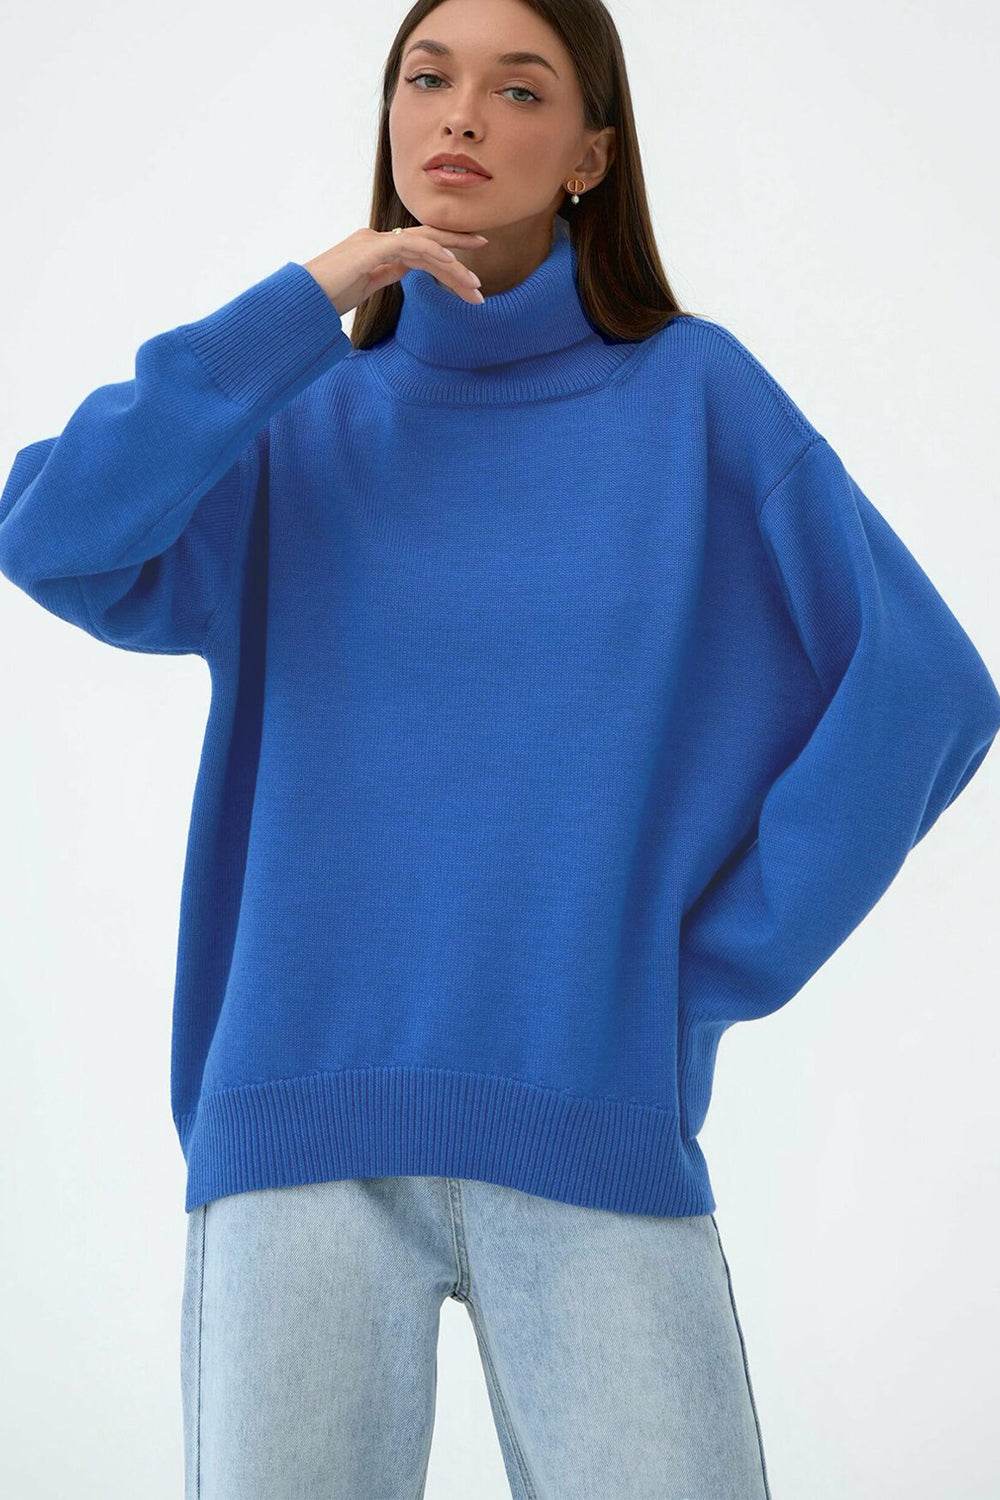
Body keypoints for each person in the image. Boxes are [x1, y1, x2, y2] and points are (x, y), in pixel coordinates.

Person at [2, 0, 998, 1495]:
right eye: (428, 77)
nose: (461, 113)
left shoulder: (695, 400)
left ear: (591, 152)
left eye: (520, 88)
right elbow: (52, 533)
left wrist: (705, 966)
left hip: (590, 1114)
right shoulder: (299, 419)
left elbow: (925, 689)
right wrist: (305, 303)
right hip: (296, 1125)